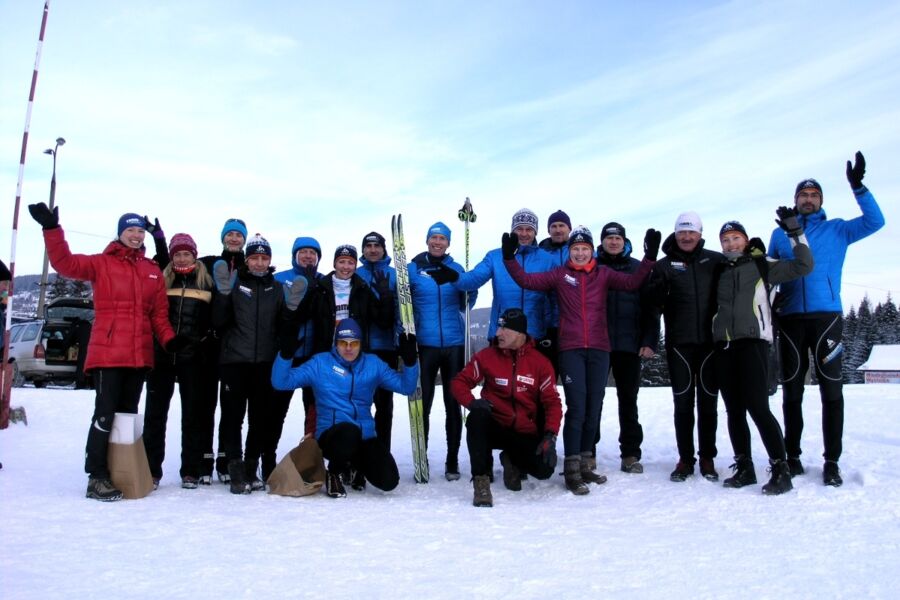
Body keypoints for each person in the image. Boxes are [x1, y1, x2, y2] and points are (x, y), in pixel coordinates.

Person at [28, 205, 180, 501]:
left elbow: (159, 316)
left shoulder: (151, 271)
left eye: (139, 231)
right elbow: (65, 263)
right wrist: (51, 230)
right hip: (108, 354)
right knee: (105, 415)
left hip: (139, 357)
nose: (135, 235)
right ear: (120, 233)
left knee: (127, 419)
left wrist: (169, 341)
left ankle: (121, 471)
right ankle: (96, 476)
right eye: (129, 230)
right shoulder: (101, 264)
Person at [503, 225, 660, 494]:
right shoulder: (560, 275)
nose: (579, 253)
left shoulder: (603, 274)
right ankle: (572, 468)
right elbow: (528, 281)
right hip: (571, 348)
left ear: (591, 251)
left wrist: (649, 257)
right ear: (570, 251)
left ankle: (586, 462)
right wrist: (509, 258)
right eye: (575, 248)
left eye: (584, 248)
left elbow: (633, 283)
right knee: (577, 408)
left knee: (593, 406)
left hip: (600, 348)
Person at [768, 151, 885, 486]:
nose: (808, 199)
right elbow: (771, 274)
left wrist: (858, 188)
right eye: (803, 195)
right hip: (790, 320)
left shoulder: (838, 230)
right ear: (795, 200)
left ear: (821, 200)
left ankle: (831, 461)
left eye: (814, 195)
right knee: (792, 392)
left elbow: (876, 222)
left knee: (831, 391)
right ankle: (792, 456)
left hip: (827, 319)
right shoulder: (781, 234)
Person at [714, 215, 813, 495]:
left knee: (758, 408)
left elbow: (804, 265)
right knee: (733, 410)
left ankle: (781, 469)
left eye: (735, 238)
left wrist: (795, 233)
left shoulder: (762, 264)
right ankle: (744, 467)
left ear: (745, 240)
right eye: (725, 239)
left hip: (754, 344)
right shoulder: (720, 269)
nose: (731, 243)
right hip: (724, 346)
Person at [271, 318, 419, 498]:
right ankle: (333, 473)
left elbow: (406, 387)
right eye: (343, 343)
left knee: (389, 480)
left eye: (354, 343)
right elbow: (280, 382)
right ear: (336, 343)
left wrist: (411, 362)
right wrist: (285, 356)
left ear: (360, 344)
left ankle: (357, 466)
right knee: (349, 433)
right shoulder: (320, 363)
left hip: (364, 436)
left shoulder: (373, 364)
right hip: (332, 436)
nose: (348, 348)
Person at [450, 308, 562, 507]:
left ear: (520, 334)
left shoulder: (540, 363)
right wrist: (472, 403)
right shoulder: (487, 356)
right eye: (499, 328)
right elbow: (459, 383)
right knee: (476, 417)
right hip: (495, 426)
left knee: (544, 470)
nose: (498, 333)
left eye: (505, 330)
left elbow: (552, 402)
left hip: (524, 432)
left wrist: (550, 435)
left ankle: (511, 459)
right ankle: (481, 481)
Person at [645, 211, 726, 482]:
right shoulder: (665, 265)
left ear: (701, 234)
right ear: (676, 234)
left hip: (710, 345)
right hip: (679, 345)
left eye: (691, 232)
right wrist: (650, 340)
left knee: (708, 404)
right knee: (682, 404)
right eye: (682, 232)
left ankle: (707, 458)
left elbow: (742, 285)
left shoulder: (716, 261)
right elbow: (652, 306)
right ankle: (685, 459)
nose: (687, 237)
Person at [212, 234, 290, 494]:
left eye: (264, 258)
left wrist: (291, 314)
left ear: (270, 261)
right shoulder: (234, 283)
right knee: (233, 417)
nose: (259, 263)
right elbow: (219, 322)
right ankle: (235, 470)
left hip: (264, 363)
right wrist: (223, 295)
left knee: (259, 418)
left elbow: (282, 326)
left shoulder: (277, 288)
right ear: (247, 260)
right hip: (235, 361)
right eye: (254, 258)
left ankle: (250, 466)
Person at [144, 233, 214, 489]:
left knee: (192, 415)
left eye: (186, 253)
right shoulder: (162, 280)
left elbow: (213, 319)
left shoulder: (207, 282)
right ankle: (151, 470)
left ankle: (191, 470)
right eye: (177, 254)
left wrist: (202, 344)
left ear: (194, 255)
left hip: (193, 358)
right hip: (162, 355)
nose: (182, 258)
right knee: (155, 415)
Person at [407, 222, 476, 480]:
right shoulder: (413, 269)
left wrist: (469, 292)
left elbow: (469, 298)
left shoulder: (456, 269)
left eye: (442, 239)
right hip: (425, 345)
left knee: (453, 403)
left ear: (448, 243)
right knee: (422, 405)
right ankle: (421, 458)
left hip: (454, 344)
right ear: (427, 240)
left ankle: (452, 460)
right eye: (433, 237)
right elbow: (403, 301)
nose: (438, 242)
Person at [596, 222, 658, 474]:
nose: (613, 242)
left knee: (628, 400)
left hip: (629, 344)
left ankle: (630, 453)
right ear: (602, 242)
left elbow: (651, 307)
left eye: (617, 238)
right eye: (609, 238)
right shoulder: (593, 268)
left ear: (624, 241)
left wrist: (649, 340)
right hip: (598, 345)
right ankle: (588, 451)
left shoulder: (637, 269)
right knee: (593, 401)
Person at [455, 208, 556, 356]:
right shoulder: (496, 257)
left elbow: (554, 298)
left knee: (530, 378)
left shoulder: (547, 260)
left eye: (529, 229)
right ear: (512, 230)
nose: (524, 233)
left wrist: (551, 328)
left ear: (535, 232)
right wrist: (454, 277)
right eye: (519, 229)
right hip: (502, 332)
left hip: (534, 334)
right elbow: (473, 279)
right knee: (499, 378)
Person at [198, 218, 248, 484]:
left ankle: (225, 459)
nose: (234, 238)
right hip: (209, 344)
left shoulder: (249, 265)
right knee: (206, 405)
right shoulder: (207, 263)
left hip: (235, 347)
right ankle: (204, 460)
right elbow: (177, 265)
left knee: (231, 408)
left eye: (239, 235)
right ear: (222, 237)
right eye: (230, 234)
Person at [270, 236, 322, 471]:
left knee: (313, 412)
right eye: (303, 252)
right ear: (294, 256)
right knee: (276, 411)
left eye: (313, 252)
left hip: (313, 356)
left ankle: (310, 462)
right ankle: (267, 460)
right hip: (286, 356)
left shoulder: (323, 281)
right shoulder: (280, 279)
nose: (308, 256)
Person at [357, 231, 400, 451]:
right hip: (359, 351)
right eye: (368, 246)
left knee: (384, 405)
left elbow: (404, 312)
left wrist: (405, 340)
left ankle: (382, 452)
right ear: (363, 250)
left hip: (386, 348)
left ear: (383, 249)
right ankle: (359, 455)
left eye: (377, 246)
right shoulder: (355, 275)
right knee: (359, 404)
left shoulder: (396, 275)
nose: (373, 250)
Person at [537, 209, 572, 375]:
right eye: (554, 226)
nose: (558, 229)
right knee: (546, 381)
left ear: (569, 228)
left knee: (574, 382)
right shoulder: (539, 253)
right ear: (548, 230)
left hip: (573, 326)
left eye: (562, 225)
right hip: (547, 326)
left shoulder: (580, 251)